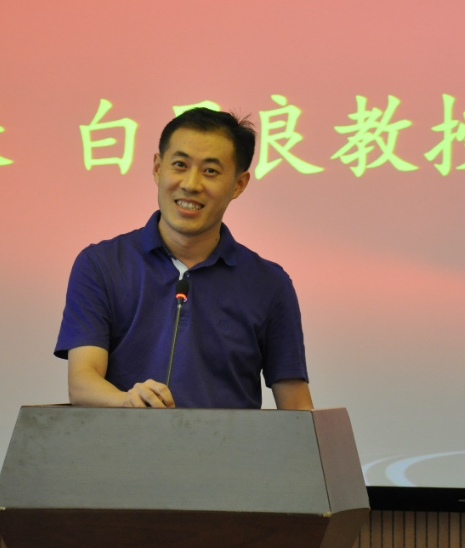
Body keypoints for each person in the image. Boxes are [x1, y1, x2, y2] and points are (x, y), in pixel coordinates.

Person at [54, 108, 313, 410]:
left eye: (210, 171)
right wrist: (128, 402)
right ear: (157, 168)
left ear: (239, 184)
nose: (191, 184)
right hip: (123, 438)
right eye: (180, 165)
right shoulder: (101, 265)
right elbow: (82, 382)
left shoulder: (269, 283)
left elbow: (296, 405)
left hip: (228, 442)